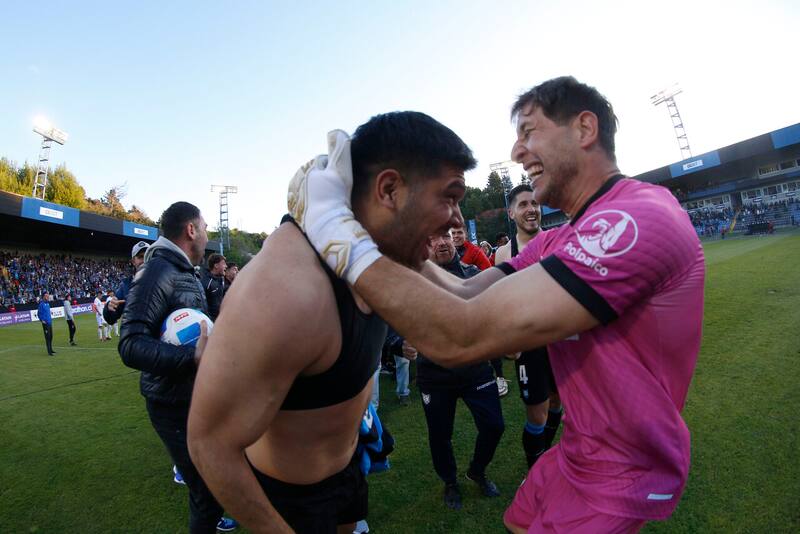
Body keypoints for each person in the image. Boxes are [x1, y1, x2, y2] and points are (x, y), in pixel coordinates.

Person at [290, 76, 705, 533]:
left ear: (585, 129)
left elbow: (462, 334)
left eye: (529, 131)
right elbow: (466, 293)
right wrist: (384, 236)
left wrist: (333, 226)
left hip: (621, 471)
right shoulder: (558, 239)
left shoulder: (635, 219)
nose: (517, 151)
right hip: (576, 452)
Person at [187, 111, 477, 534]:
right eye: (449, 197)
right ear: (390, 189)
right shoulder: (286, 291)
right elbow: (209, 444)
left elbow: (470, 300)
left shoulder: (385, 252)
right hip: (291, 499)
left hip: (347, 470)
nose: (456, 219)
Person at [118, 202, 236, 533]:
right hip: (171, 405)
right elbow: (129, 344)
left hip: (192, 395)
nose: (208, 234)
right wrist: (191, 358)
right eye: (205, 226)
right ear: (191, 230)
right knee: (207, 490)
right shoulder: (156, 272)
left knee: (214, 482)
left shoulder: (184, 271)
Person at [410, 229, 505, 510]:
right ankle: (450, 482)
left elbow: (494, 310)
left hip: (475, 369)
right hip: (434, 375)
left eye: (446, 236)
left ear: (455, 240)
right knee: (440, 435)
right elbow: (392, 314)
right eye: (433, 238)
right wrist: (398, 343)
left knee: (494, 425)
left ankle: (477, 470)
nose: (441, 242)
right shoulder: (414, 281)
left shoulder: (473, 273)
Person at [494, 183, 563, 468]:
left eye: (534, 204)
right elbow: (501, 300)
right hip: (529, 344)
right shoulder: (503, 253)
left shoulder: (558, 240)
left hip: (562, 340)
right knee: (537, 413)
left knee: (557, 404)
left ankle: (543, 459)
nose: (531, 209)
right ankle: (534, 469)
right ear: (511, 213)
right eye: (523, 205)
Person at [104, 241, 150, 327]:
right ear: (133, 261)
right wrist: (109, 308)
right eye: (140, 257)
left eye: (147, 256)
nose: (144, 260)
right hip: (134, 338)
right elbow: (111, 319)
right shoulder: (125, 286)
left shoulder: (163, 281)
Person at [201, 253, 226, 321]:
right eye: (223, 263)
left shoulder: (222, 279)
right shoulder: (206, 282)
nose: (226, 266)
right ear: (216, 265)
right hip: (211, 321)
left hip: (221, 319)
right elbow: (202, 305)